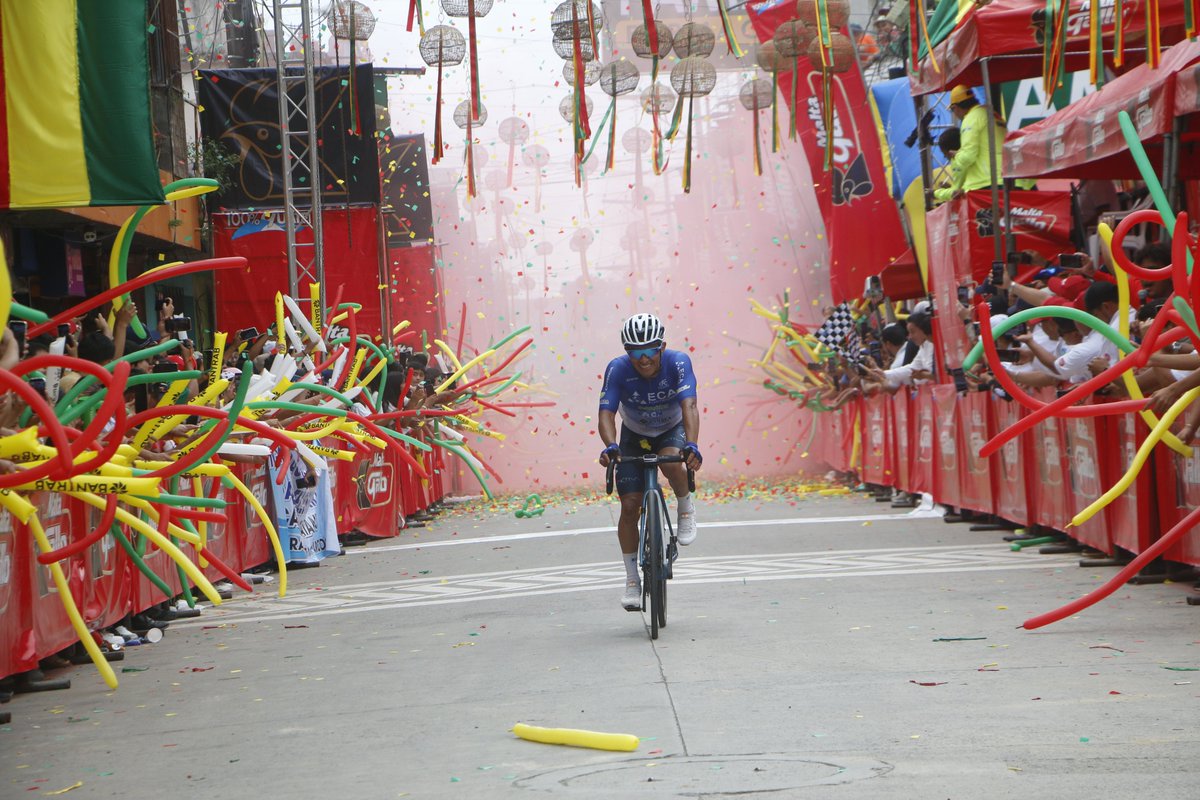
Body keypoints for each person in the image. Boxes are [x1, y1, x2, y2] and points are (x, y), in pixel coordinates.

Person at [597, 313, 702, 611]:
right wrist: (612, 446)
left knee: (671, 463)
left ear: (662, 347)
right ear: (627, 352)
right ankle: (632, 580)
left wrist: (692, 444)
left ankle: (685, 506)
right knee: (630, 506)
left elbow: (689, 404)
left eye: (649, 351)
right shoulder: (617, 369)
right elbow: (606, 413)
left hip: (672, 428)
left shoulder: (678, 362)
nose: (643, 360)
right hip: (635, 433)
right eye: (635, 352)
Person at [942, 85, 1006, 200]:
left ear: (955, 107)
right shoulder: (993, 114)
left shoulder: (971, 118)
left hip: (985, 184)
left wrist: (956, 156)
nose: (954, 114)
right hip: (1005, 179)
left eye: (952, 110)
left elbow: (968, 157)